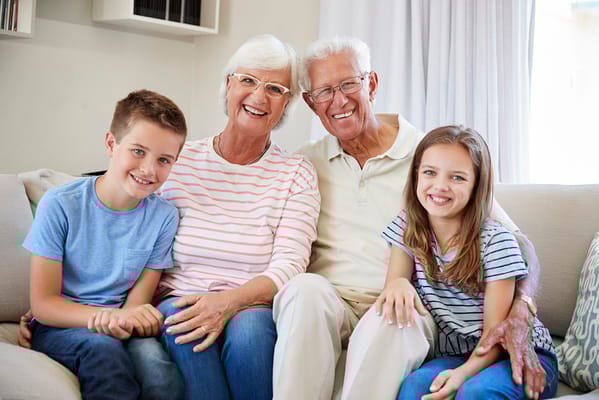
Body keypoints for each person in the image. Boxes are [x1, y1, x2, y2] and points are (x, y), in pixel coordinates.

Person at [272, 36, 547, 400]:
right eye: (324, 91)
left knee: (393, 315)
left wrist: (523, 307)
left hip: (404, 304)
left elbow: (518, 243)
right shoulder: (306, 163)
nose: (338, 100)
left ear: (371, 84)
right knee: (303, 290)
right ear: (311, 102)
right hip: (332, 302)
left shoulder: (431, 160)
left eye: (349, 84)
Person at [153, 34, 320, 400]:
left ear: (287, 104)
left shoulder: (296, 173)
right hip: (181, 297)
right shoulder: (178, 161)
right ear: (228, 83)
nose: (259, 97)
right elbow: (131, 233)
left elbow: (290, 266)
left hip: (253, 304)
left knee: (251, 335)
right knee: (184, 326)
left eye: (275, 89)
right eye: (248, 80)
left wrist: (228, 302)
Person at [22, 89, 187, 400]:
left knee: (159, 370)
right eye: (138, 151)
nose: (149, 169)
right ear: (112, 144)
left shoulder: (163, 217)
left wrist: (130, 318)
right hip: (62, 325)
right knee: (103, 353)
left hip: (122, 320)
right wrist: (107, 320)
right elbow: (44, 305)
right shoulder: (59, 204)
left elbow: (137, 303)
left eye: (164, 159)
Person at [376, 125, 557, 399]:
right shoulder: (406, 229)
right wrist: (399, 283)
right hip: (456, 352)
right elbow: (395, 284)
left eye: (457, 177)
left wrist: (464, 373)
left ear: (476, 186)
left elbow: (496, 335)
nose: (440, 186)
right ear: (415, 176)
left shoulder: (497, 242)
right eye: (429, 172)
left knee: (474, 393)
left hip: (510, 352)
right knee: (413, 388)